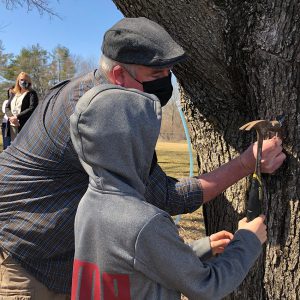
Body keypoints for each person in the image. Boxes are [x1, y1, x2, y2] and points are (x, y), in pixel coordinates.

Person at [0, 17, 285, 299]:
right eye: (156, 76)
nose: (165, 85)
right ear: (119, 75)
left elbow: (133, 248)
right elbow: (165, 198)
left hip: (66, 259)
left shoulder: (105, 115)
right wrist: (246, 164)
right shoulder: (102, 122)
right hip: (27, 253)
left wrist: (193, 251)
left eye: (169, 73)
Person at [70, 81, 267, 300]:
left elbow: (140, 260)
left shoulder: (89, 203)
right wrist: (248, 239)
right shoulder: (144, 222)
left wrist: (203, 248)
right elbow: (207, 285)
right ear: (133, 146)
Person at [5, 71, 39, 141]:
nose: (23, 82)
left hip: (25, 124)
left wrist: (17, 117)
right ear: (18, 81)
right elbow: (7, 107)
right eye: (21, 80)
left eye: (26, 80)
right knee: (13, 145)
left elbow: (32, 108)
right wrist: (11, 117)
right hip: (12, 124)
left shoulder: (32, 93)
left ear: (29, 81)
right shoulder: (13, 93)